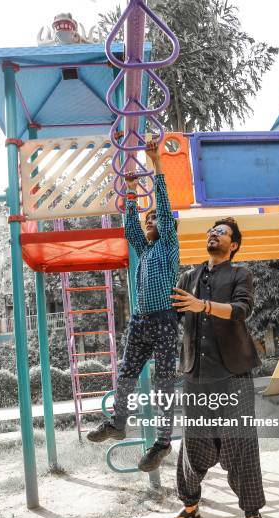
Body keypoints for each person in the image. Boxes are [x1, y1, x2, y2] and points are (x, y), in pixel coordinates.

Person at [162, 217, 279, 518]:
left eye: (222, 232)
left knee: (241, 442)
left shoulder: (241, 274)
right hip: (196, 376)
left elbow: (243, 310)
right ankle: (190, 506)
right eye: (212, 231)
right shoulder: (189, 276)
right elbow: (172, 313)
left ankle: (252, 514)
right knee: (193, 442)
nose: (214, 234)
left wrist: (204, 306)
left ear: (234, 244)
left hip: (234, 375)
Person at [87, 139, 180, 473]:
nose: (150, 220)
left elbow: (166, 215)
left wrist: (156, 167)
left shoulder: (169, 246)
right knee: (126, 372)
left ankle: (162, 443)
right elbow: (130, 227)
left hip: (166, 320)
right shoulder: (145, 248)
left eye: (155, 218)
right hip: (141, 321)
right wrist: (129, 192)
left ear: (168, 227)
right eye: (149, 218)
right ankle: (118, 423)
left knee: (163, 382)